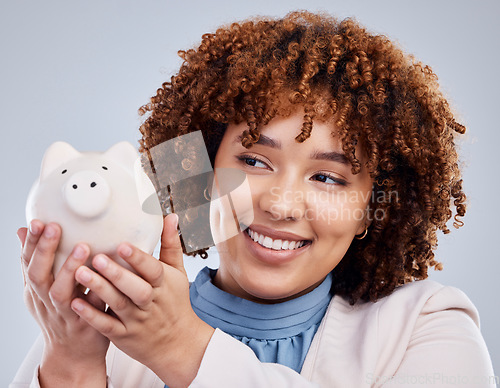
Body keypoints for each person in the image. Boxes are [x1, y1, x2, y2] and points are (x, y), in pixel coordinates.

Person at [12, 10, 496, 388]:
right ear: (197, 173)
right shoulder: (100, 325)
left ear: (372, 208)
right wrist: (72, 360)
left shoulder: (429, 325)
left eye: (328, 178)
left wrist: (178, 346)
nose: (282, 205)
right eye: (254, 162)